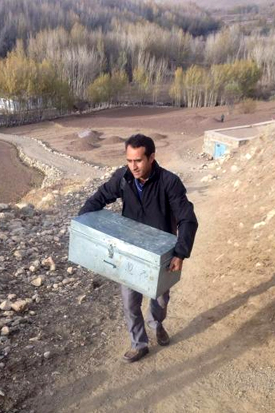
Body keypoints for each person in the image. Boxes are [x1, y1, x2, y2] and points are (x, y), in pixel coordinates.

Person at [79, 134, 198, 362]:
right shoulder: (123, 178)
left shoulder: (169, 182)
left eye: (138, 161)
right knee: (129, 301)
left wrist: (180, 253)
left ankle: (157, 324)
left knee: (160, 301)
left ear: (151, 158)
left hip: (161, 254)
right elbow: (101, 196)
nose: (133, 167)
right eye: (129, 161)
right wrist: (82, 221)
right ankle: (139, 344)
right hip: (129, 251)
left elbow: (187, 219)